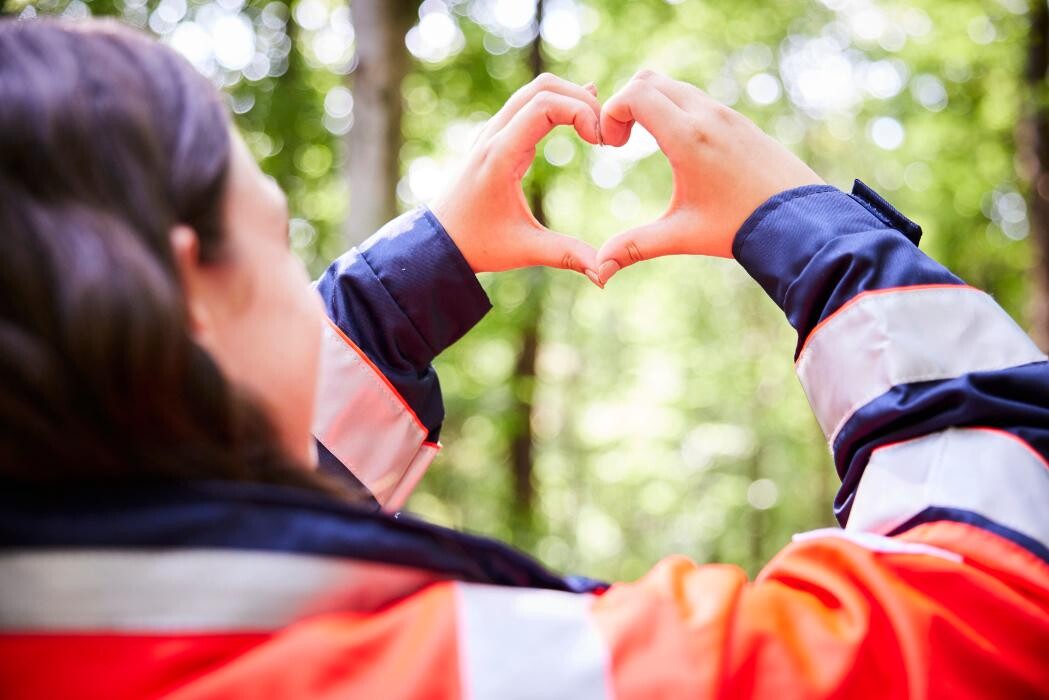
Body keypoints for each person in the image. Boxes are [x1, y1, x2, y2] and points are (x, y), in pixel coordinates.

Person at [0, 17, 1046, 699]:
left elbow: (203, 546)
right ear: (192, 294)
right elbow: (982, 615)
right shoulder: (460, 671)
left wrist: (393, 299)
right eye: (278, 240)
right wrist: (814, 234)